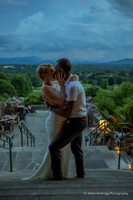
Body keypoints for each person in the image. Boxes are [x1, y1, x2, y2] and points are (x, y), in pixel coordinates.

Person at [21, 63, 73, 181]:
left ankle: (61, 174)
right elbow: (62, 101)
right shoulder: (45, 88)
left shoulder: (53, 84)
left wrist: (74, 78)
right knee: (55, 148)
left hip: (61, 119)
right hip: (55, 122)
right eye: (51, 71)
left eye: (54, 70)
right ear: (44, 75)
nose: (54, 72)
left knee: (62, 148)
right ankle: (51, 174)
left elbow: (66, 87)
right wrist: (61, 84)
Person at [49, 58, 87, 180]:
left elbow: (66, 113)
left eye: (57, 69)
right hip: (78, 120)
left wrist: (52, 108)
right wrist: (60, 83)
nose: (55, 72)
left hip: (77, 122)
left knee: (53, 147)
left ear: (62, 71)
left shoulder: (72, 87)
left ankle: (58, 176)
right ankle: (81, 175)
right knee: (76, 149)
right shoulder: (69, 82)